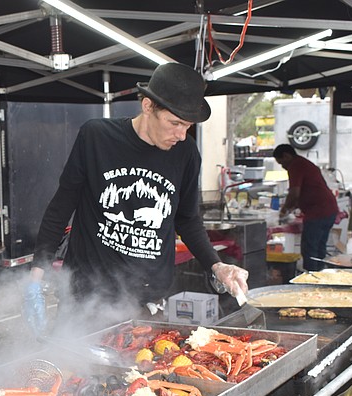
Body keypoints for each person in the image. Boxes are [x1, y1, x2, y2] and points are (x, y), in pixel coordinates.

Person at [23, 62, 248, 336]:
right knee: (74, 372)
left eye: (187, 126)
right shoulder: (96, 137)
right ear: (148, 106)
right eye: (175, 123)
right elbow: (62, 206)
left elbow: (187, 219)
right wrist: (37, 275)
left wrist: (217, 265)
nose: (181, 135)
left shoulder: (186, 154)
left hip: (146, 301)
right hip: (85, 296)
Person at [273, 144, 339, 272]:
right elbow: (304, 191)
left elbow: (294, 193)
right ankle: (321, 275)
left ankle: (311, 280)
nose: (283, 167)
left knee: (310, 249)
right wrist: (293, 206)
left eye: (282, 163)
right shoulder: (304, 163)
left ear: (287, 156)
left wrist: (284, 210)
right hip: (329, 209)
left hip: (318, 212)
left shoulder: (296, 166)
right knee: (319, 247)